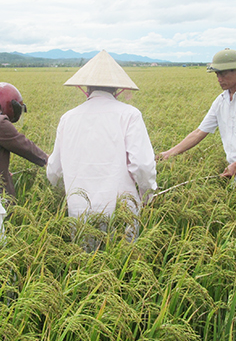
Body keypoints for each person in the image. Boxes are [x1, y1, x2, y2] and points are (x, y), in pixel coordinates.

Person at [47, 50, 157, 225]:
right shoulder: (129, 115)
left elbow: (54, 171)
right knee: (124, 253)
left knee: (84, 252)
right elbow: (143, 165)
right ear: (117, 90)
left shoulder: (67, 118)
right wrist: (147, 194)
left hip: (79, 213)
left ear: (86, 89)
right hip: (122, 212)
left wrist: (69, 192)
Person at [158, 48, 236, 183]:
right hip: (234, 174)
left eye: (223, 74)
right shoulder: (221, 101)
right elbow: (198, 133)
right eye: (217, 74)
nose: (219, 79)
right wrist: (168, 154)